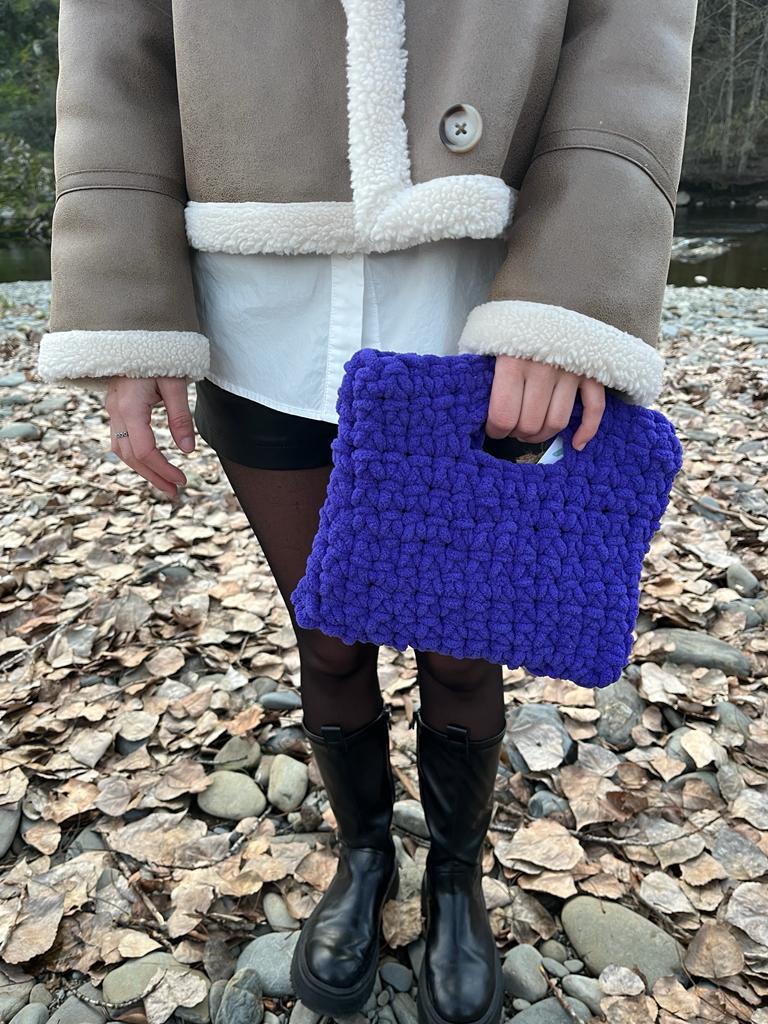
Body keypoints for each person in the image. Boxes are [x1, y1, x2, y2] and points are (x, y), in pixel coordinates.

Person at [37, 2, 698, 1021]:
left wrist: (579, 279)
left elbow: (633, 24)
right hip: (256, 296)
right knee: (329, 634)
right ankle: (365, 854)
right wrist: (122, 293)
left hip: (483, 275)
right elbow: (111, 41)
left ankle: (455, 877)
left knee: (464, 646)